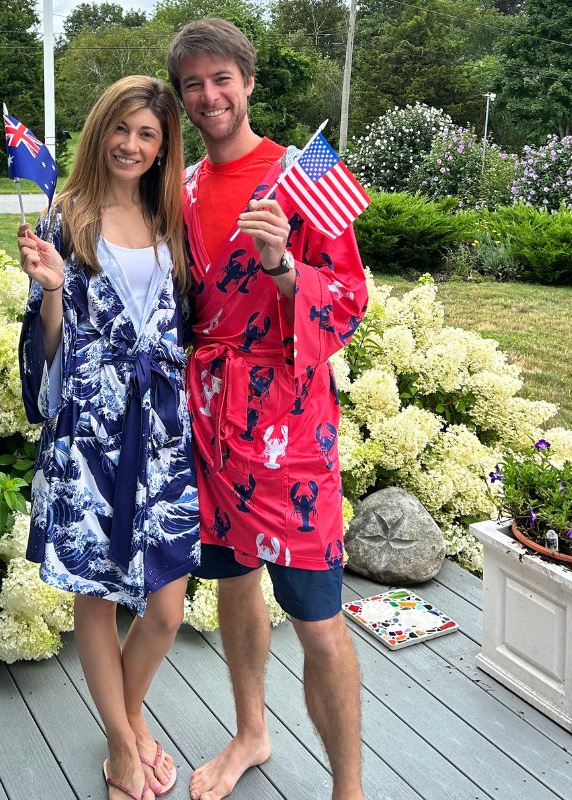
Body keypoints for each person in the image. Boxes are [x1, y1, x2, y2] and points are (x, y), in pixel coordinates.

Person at [166, 19, 369, 800]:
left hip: (290, 423)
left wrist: (283, 264)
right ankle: (251, 732)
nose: (209, 95)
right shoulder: (181, 188)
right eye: (193, 83)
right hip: (210, 417)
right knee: (233, 580)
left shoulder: (302, 174)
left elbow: (349, 300)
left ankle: (348, 789)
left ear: (248, 82)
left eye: (222, 78)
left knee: (318, 620)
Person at [17, 75, 199, 800]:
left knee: (166, 610)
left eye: (147, 134)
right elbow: (48, 347)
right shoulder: (66, 217)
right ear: (100, 132)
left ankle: (127, 713)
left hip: (162, 433)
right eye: (121, 128)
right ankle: (124, 744)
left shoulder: (172, 217)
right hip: (91, 433)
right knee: (94, 594)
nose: (131, 144)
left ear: (163, 147)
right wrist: (52, 287)